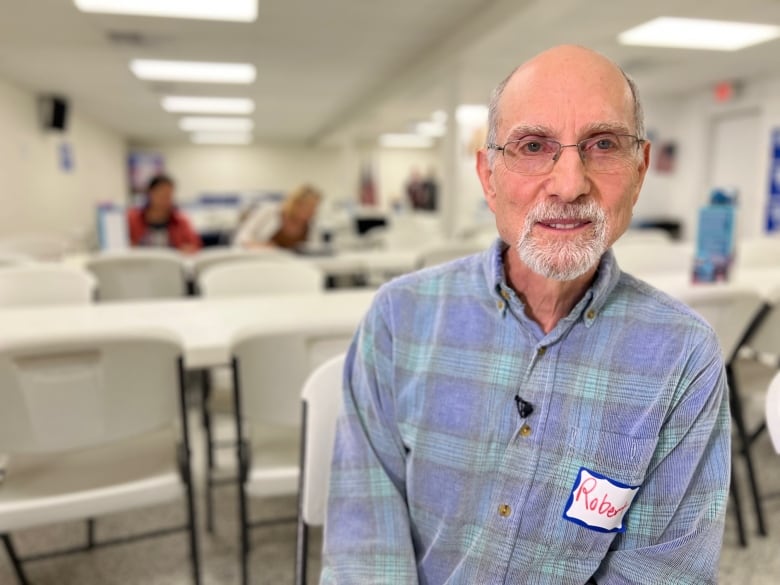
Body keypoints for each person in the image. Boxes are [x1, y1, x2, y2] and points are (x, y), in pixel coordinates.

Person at [322, 45, 729, 584]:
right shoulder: (400, 319)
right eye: (533, 146)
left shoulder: (683, 357)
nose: (568, 184)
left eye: (603, 144)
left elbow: (662, 572)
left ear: (640, 169)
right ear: (488, 176)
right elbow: (365, 546)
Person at [127, 174, 202, 252]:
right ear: (150, 193)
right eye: (161, 195)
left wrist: (188, 250)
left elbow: (195, 245)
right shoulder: (133, 219)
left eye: (168, 195)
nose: (165, 200)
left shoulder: (181, 221)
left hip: (171, 263)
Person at [233, 184, 321, 250]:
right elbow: (242, 236)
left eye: (315, 208)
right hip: (263, 261)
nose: (313, 212)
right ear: (296, 204)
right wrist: (256, 245)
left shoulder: (310, 223)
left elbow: (314, 247)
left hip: (295, 266)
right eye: (310, 207)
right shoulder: (269, 212)